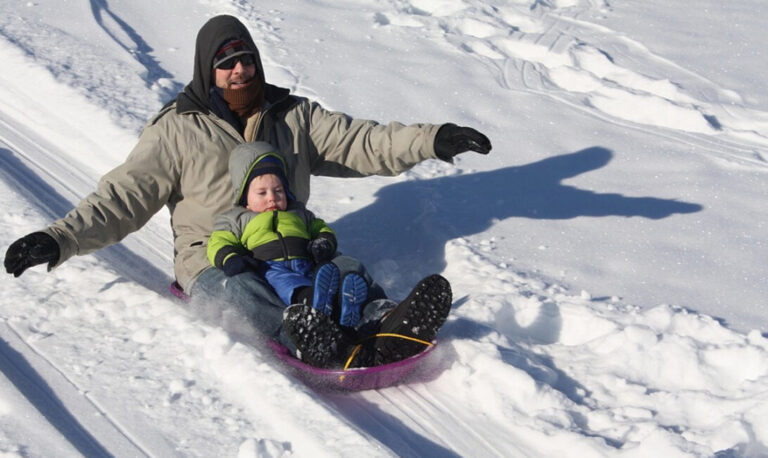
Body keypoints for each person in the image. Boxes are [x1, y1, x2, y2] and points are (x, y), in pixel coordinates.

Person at [3, 14, 491, 368]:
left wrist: (431, 138)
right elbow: (123, 196)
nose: (239, 71)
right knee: (240, 289)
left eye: (246, 60)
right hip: (218, 256)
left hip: (292, 242)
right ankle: (301, 333)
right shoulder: (176, 130)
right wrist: (60, 238)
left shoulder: (292, 115)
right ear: (206, 70)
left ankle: (386, 320)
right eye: (225, 63)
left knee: (341, 269)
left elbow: (361, 141)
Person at [208, 141, 368, 327]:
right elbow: (218, 241)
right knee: (288, 284)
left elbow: (320, 228)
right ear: (245, 198)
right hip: (270, 269)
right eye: (262, 193)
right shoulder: (236, 219)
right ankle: (310, 304)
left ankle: (346, 308)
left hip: (307, 264)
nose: (272, 197)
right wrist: (231, 258)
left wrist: (323, 241)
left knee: (330, 276)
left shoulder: (299, 214)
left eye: (278, 190)